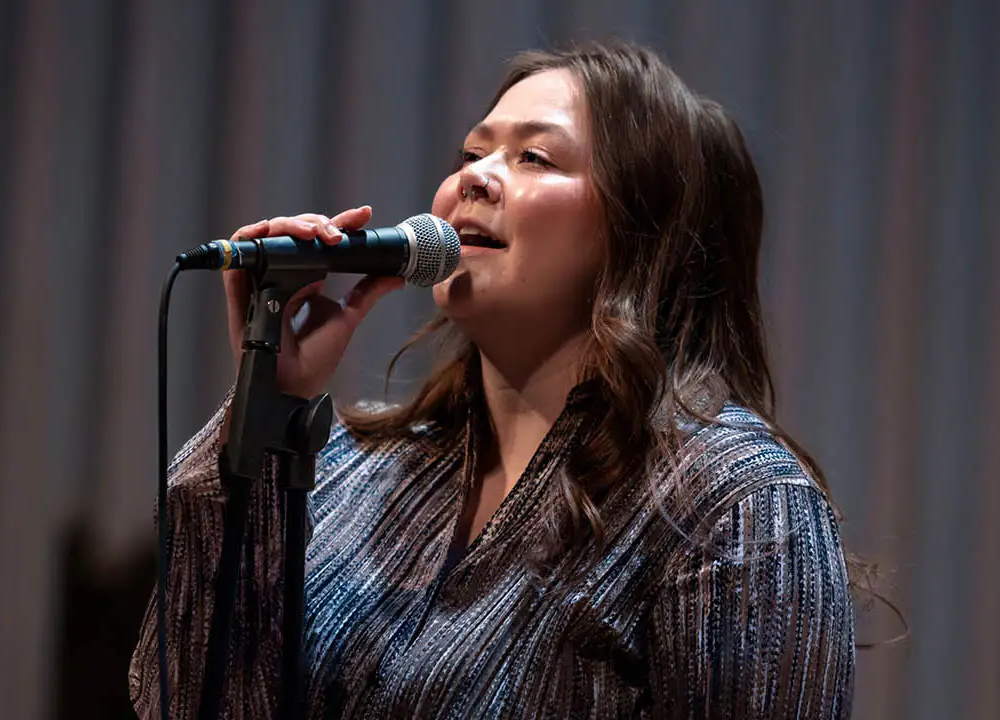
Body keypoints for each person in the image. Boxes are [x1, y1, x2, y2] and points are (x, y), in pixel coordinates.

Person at [130, 40, 855, 719]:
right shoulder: (357, 467)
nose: (474, 177)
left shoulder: (733, 504)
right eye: (472, 152)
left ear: (643, 230)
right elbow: (187, 699)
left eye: (535, 157)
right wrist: (267, 410)